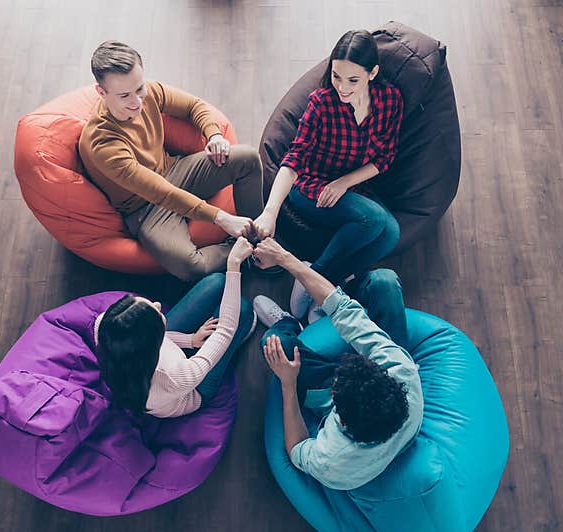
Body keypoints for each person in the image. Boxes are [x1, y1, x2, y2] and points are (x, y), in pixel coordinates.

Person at [79, 40, 263, 281]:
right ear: (101, 93)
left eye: (139, 89)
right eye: (124, 95)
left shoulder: (149, 93)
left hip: (176, 171)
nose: (137, 102)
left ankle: (259, 241)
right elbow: (160, 193)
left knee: (247, 157)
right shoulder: (102, 144)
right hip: (145, 208)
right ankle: (246, 252)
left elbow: (195, 106)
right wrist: (221, 217)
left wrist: (214, 134)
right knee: (191, 267)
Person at [252, 29, 404, 320]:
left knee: (391, 232)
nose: (342, 87)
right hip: (310, 186)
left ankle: (318, 281)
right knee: (373, 220)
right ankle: (318, 283)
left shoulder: (389, 101)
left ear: (373, 73)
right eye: (336, 76)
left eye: (353, 80)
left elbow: (385, 158)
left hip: (349, 188)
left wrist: (344, 182)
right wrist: (270, 213)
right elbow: (293, 158)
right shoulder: (321, 103)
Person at [251, 237, 423, 490]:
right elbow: (344, 310)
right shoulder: (401, 372)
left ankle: (291, 324)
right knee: (383, 282)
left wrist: (288, 385)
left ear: (339, 419)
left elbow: (297, 449)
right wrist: (286, 259)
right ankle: (320, 311)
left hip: (352, 425)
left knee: (273, 342)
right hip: (377, 404)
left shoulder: (332, 462)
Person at [96, 237, 256, 418]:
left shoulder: (105, 328)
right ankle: (243, 331)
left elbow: (153, 342)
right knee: (242, 310)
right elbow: (225, 331)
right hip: (191, 391)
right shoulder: (176, 377)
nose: (157, 304)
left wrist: (190, 340)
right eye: (154, 310)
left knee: (217, 282)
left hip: (159, 362)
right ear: (152, 339)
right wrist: (233, 264)